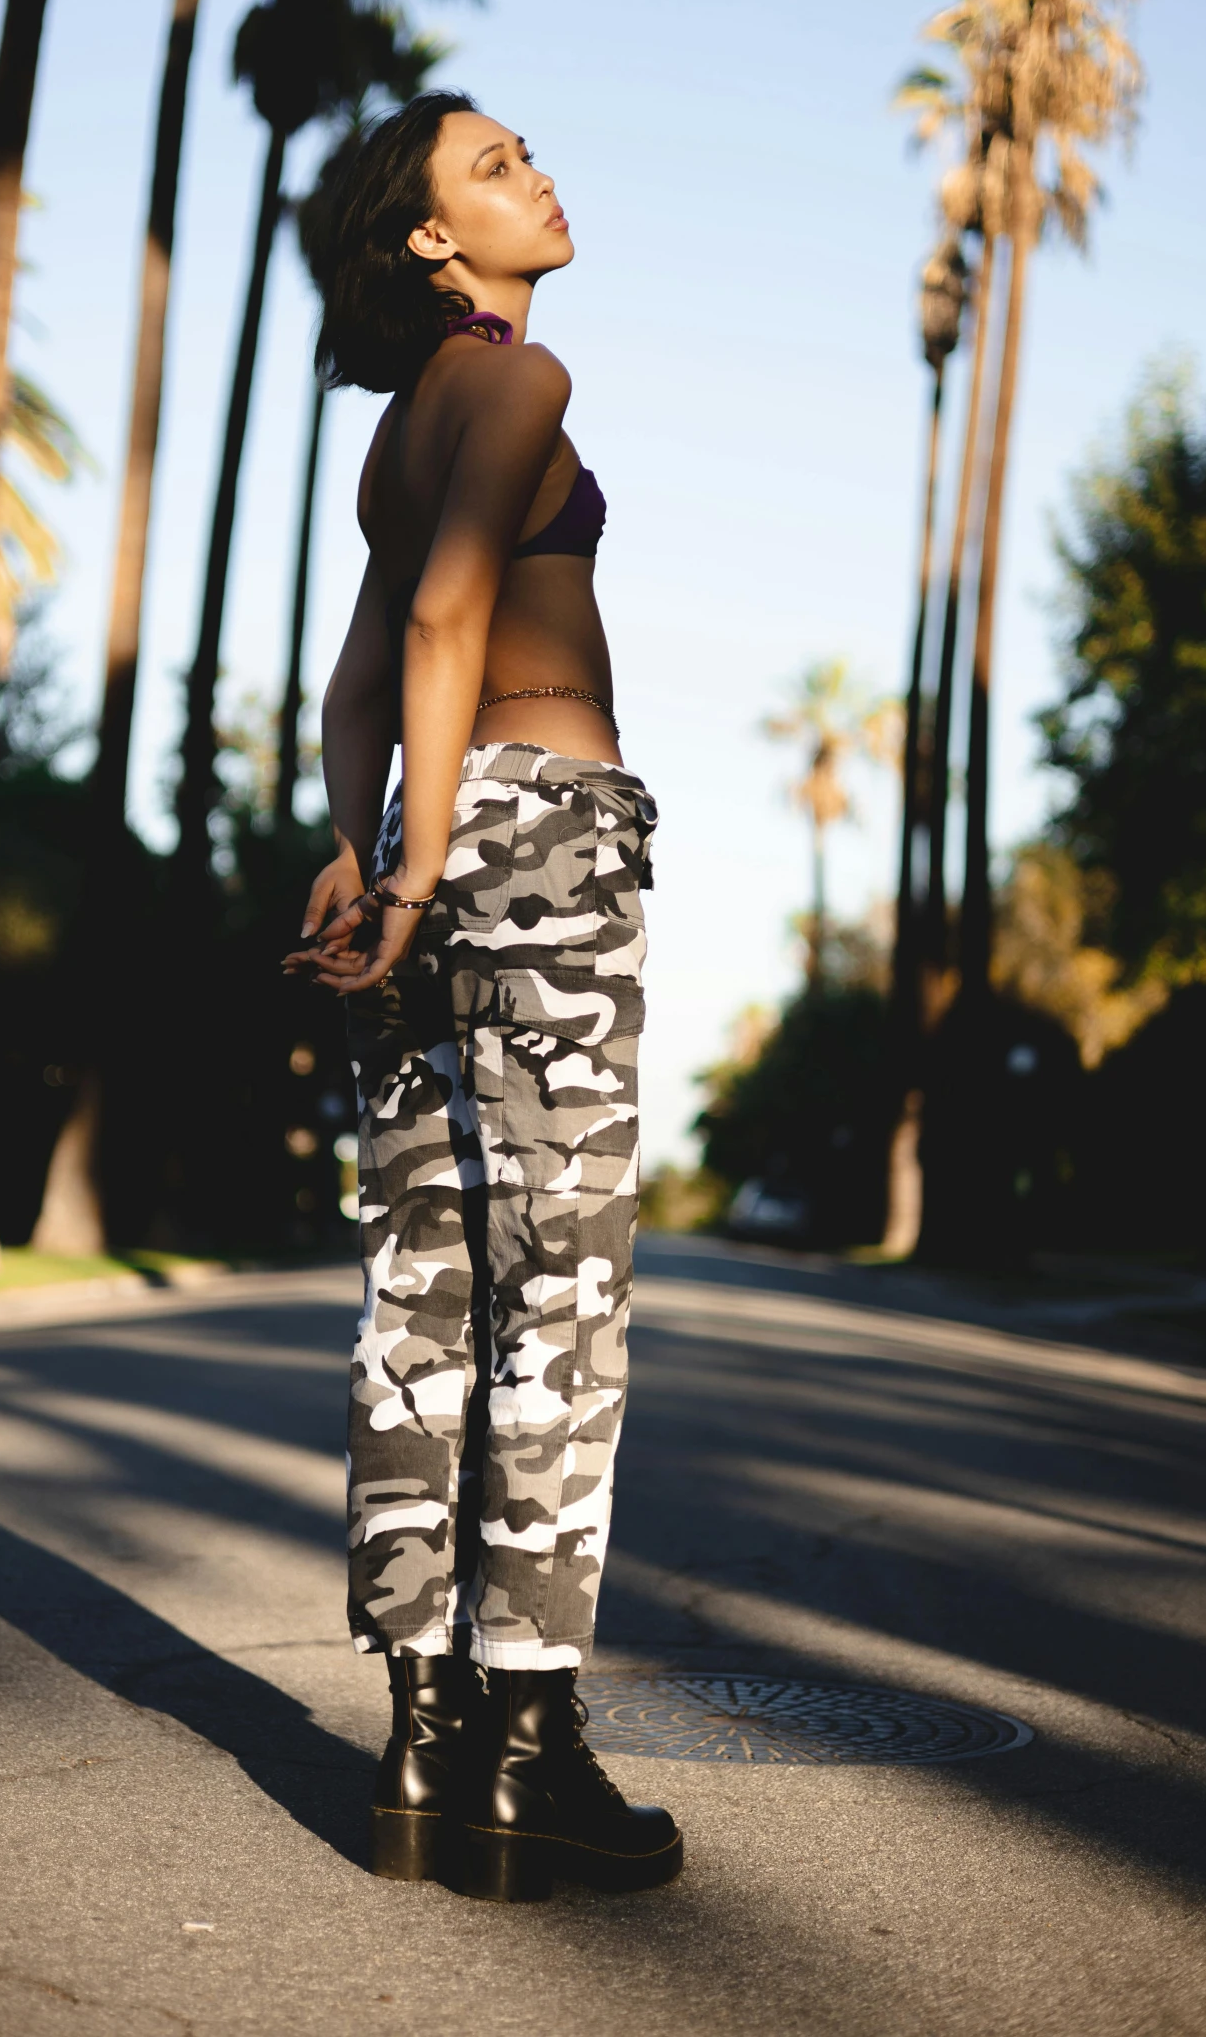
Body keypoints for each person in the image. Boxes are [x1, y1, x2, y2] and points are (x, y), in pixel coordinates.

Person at [286, 92, 680, 1904]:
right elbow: (447, 619)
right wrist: (433, 863)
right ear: (434, 239)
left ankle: (418, 1744)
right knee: (559, 1287)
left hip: (430, 833)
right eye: (492, 165)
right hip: (533, 832)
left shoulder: (394, 427)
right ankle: (531, 1749)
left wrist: (363, 854)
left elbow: (361, 669)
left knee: (425, 1289)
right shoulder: (521, 384)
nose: (537, 173)